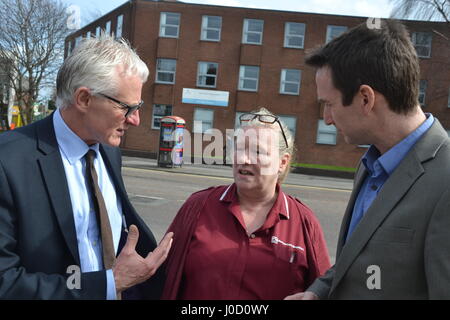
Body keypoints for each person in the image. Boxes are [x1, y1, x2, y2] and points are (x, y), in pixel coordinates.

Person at [285, 20, 450, 300]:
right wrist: (319, 292)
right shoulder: (369, 164)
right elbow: (358, 258)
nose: (326, 118)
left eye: (329, 104)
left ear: (365, 99)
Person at [0, 35, 173, 299]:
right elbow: (6, 283)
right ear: (83, 99)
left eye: (138, 107)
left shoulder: (109, 150)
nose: (136, 120)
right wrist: (108, 284)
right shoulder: (8, 161)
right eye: (126, 107)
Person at [162, 107, 331, 300]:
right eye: (239, 148)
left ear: (282, 162)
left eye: (257, 151)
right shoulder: (198, 206)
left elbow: (324, 291)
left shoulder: (304, 223)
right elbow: (161, 274)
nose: (243, 159)